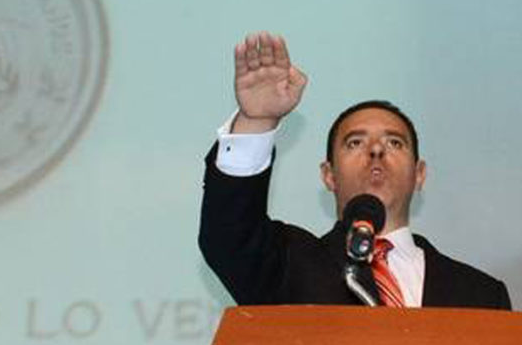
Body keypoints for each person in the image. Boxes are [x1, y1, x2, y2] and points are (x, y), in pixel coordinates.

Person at [199, 31, 511, 309]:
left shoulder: (482, 295)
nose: (376, 150)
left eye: (394, 143)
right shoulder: (289, 266)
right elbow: (229, 235)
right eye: (355, 143)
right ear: (329, 175)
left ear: (419, 174)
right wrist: (257, 121)